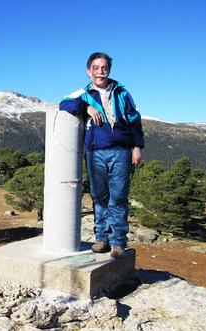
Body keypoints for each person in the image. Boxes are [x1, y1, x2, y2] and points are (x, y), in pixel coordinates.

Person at [59, 52, 144, 259]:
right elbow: (63, 103)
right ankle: (101, 239)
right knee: (99, 197)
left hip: (121, 151)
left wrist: (137, 146)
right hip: (95, 151)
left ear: (109, 70)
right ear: (89, 71)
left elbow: (134, 119)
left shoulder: (121, 92)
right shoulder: (84, 92)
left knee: (119, 197)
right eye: (96, 68)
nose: (100, 71)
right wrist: (86, 107)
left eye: (104, 67)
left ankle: (118, 242)